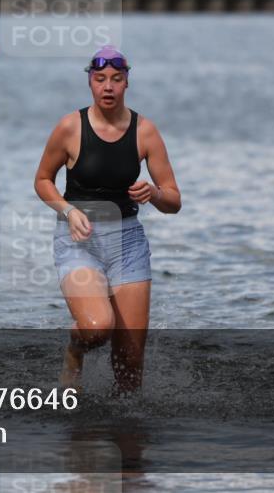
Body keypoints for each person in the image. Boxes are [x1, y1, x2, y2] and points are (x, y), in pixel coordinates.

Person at [34, 46, 181, 394]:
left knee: (130, 367)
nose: (108, 86)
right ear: (90, 82)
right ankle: (75, 348)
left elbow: (173, 200)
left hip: (128, 244)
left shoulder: (145, 132)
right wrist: (68, 211)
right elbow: (42, 180)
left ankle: (125, 429)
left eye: (116, 79)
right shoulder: (70, 127)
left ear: (127, 82)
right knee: (98, 327)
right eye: (100, 79)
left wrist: (154, 193)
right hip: (79, 241)